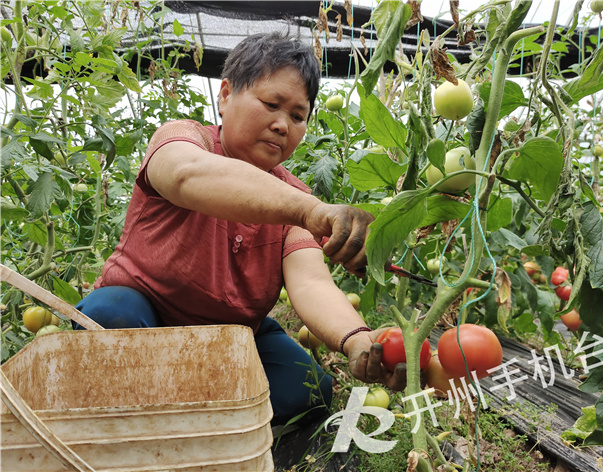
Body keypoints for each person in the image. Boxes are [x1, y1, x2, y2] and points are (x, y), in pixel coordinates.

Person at [75, 32, 406, 429]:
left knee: (308, 389)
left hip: (232, 336)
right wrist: (311, 211)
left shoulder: (296, 200)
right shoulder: (184, 140)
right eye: (271, 104)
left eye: (298, 116)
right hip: (149, 314)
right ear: (226, 94)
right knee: (110, 319)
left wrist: (357, 340)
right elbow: (185, 175)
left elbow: (311, 284)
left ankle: (189, 411)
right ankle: (166, 419)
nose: (283, 125)